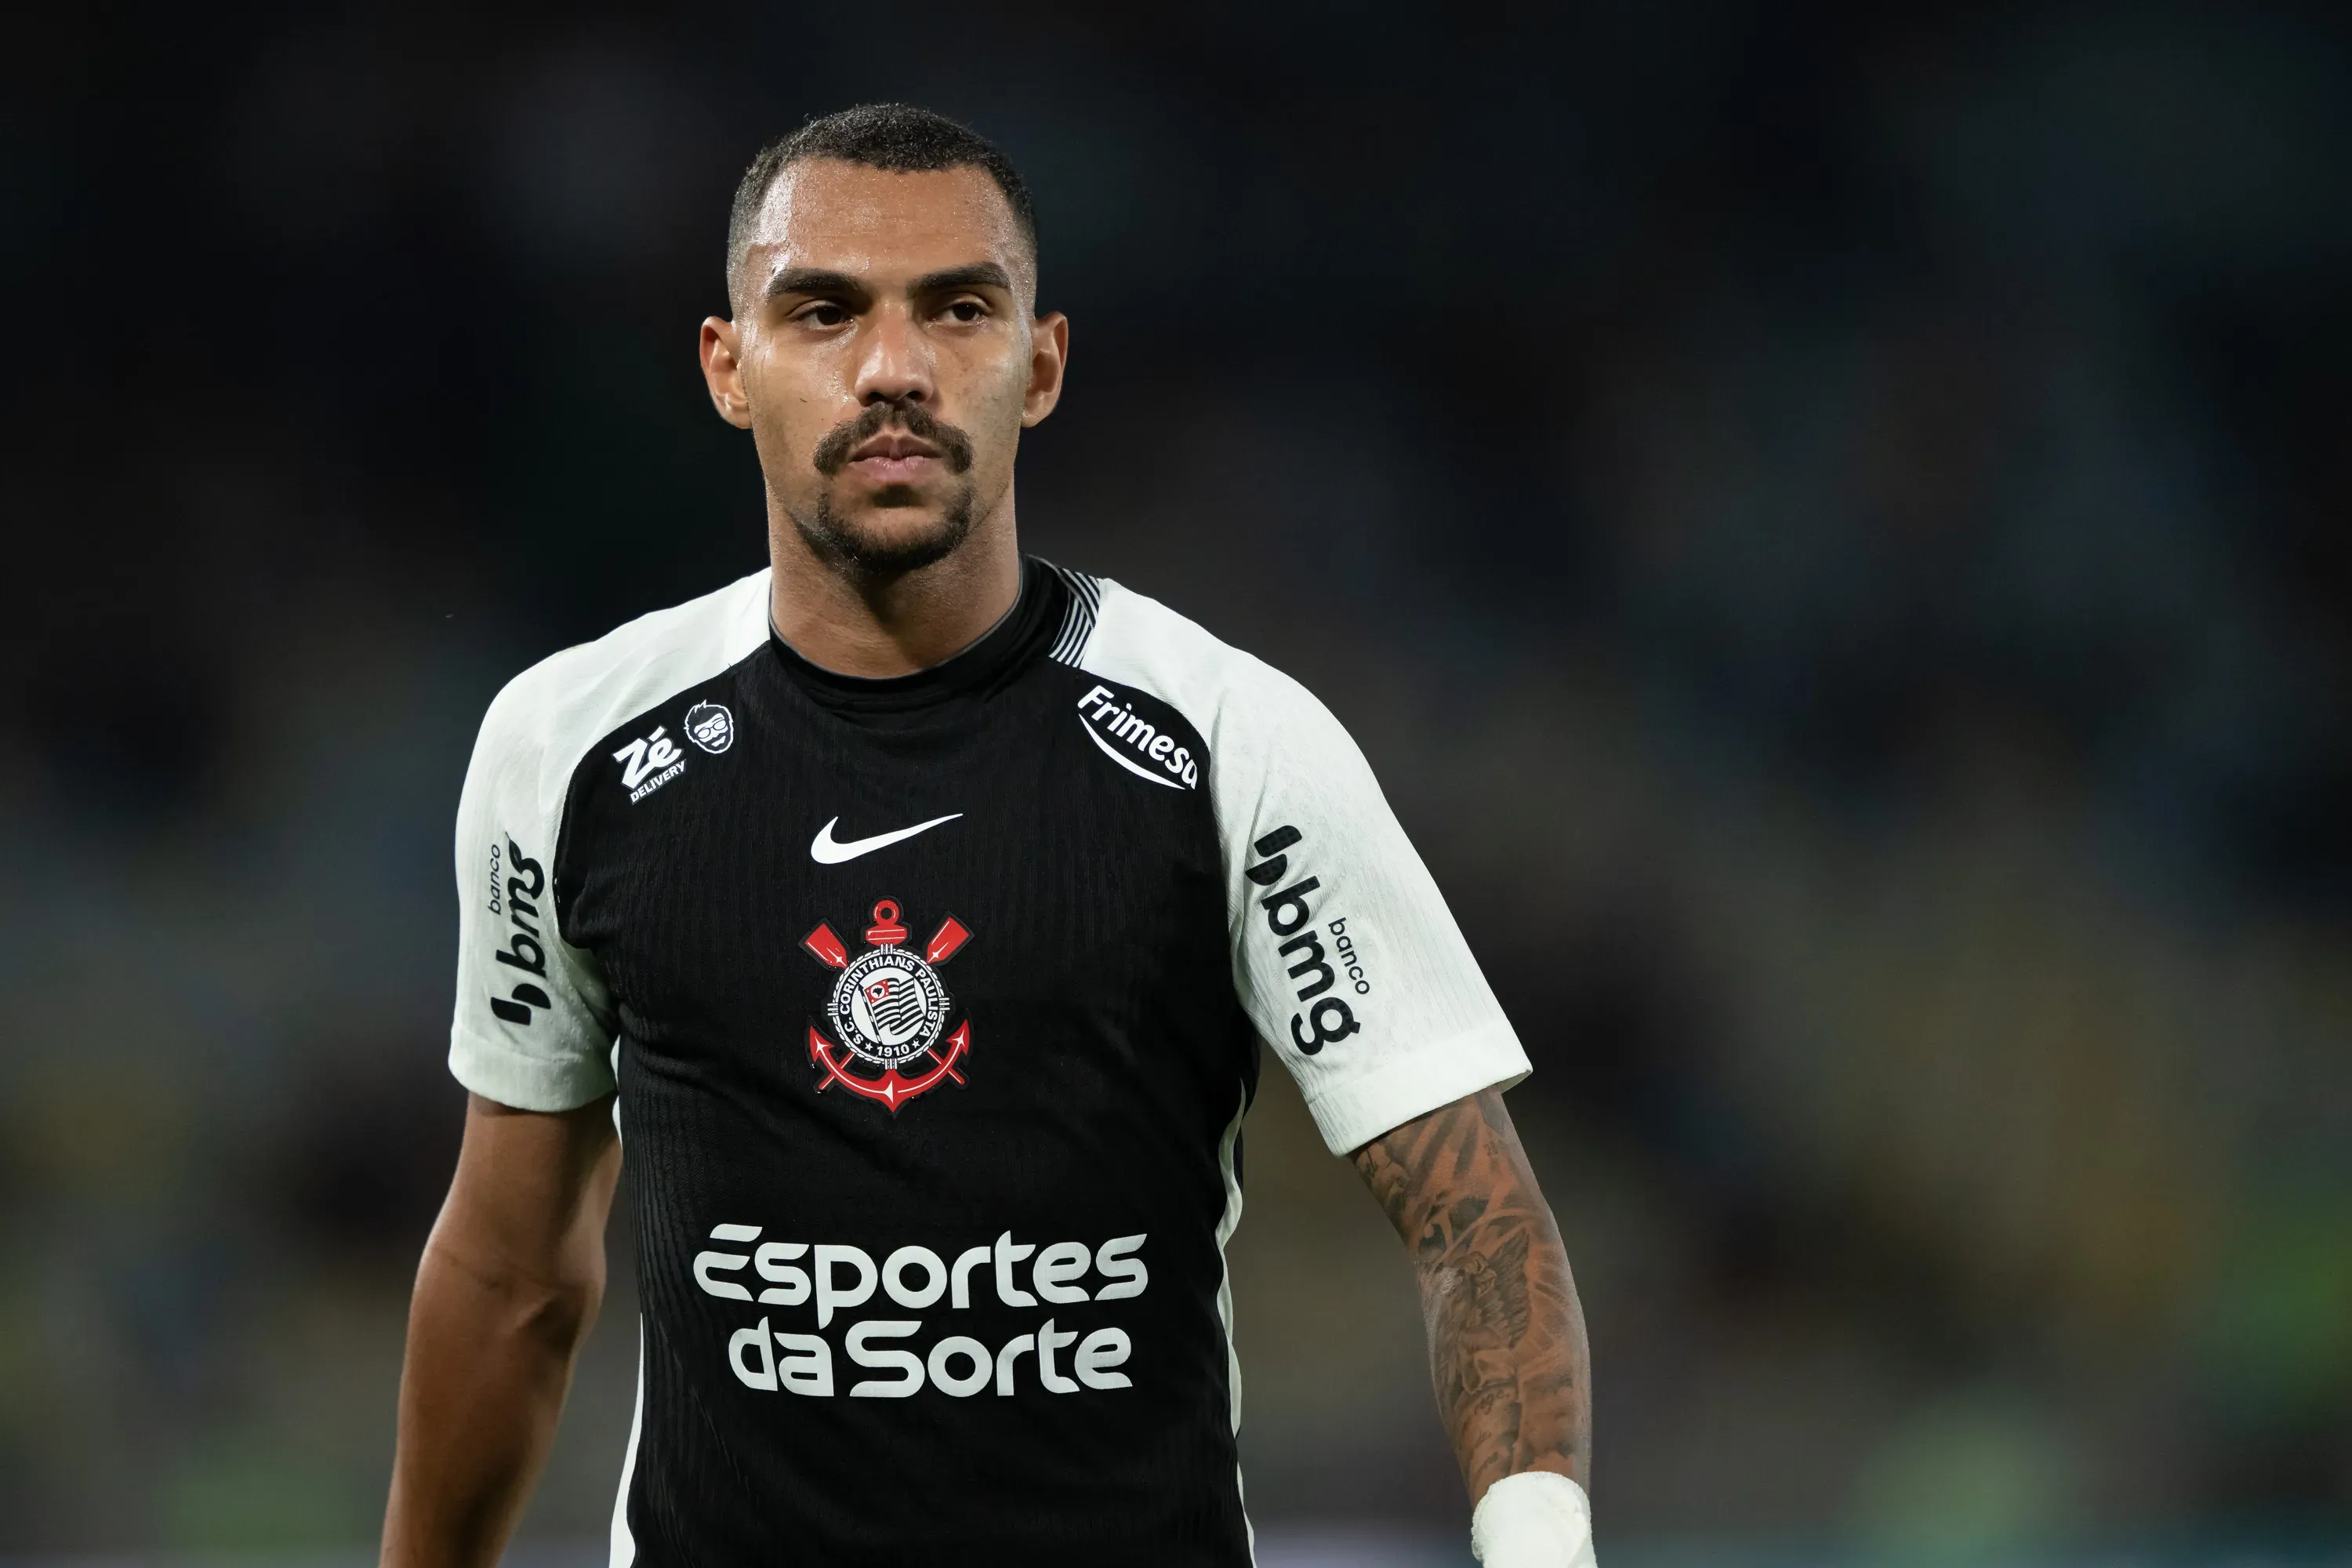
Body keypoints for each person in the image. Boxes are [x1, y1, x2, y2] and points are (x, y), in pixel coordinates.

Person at [380, 103, 1594, 1568]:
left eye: (959, 308)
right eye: (821, 309)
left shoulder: (1233, 745)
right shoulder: (569, 750)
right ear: (726, 366)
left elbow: (1477, 1223)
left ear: (1043, 367)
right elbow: (513, 1273)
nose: (892, 368)